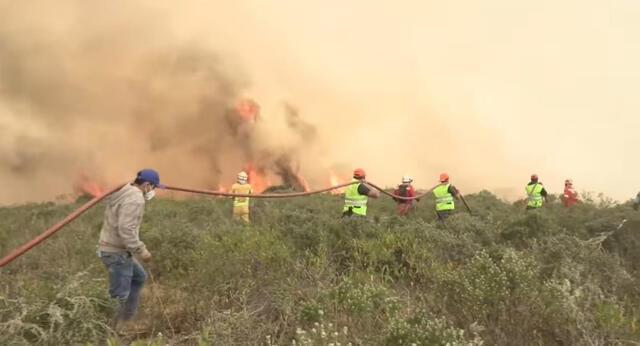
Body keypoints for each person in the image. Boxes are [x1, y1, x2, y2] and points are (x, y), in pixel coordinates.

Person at [97, 169, 163, 329]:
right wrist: (142, 250)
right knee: (120, 294)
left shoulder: (126, 189)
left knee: (139, 277)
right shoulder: (135, 199)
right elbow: (126, 229)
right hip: (116, 252)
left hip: (113, 249)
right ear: (147, 185)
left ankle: (127, 317)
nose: (152, 191)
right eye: (153, 187)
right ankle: (111, 329)